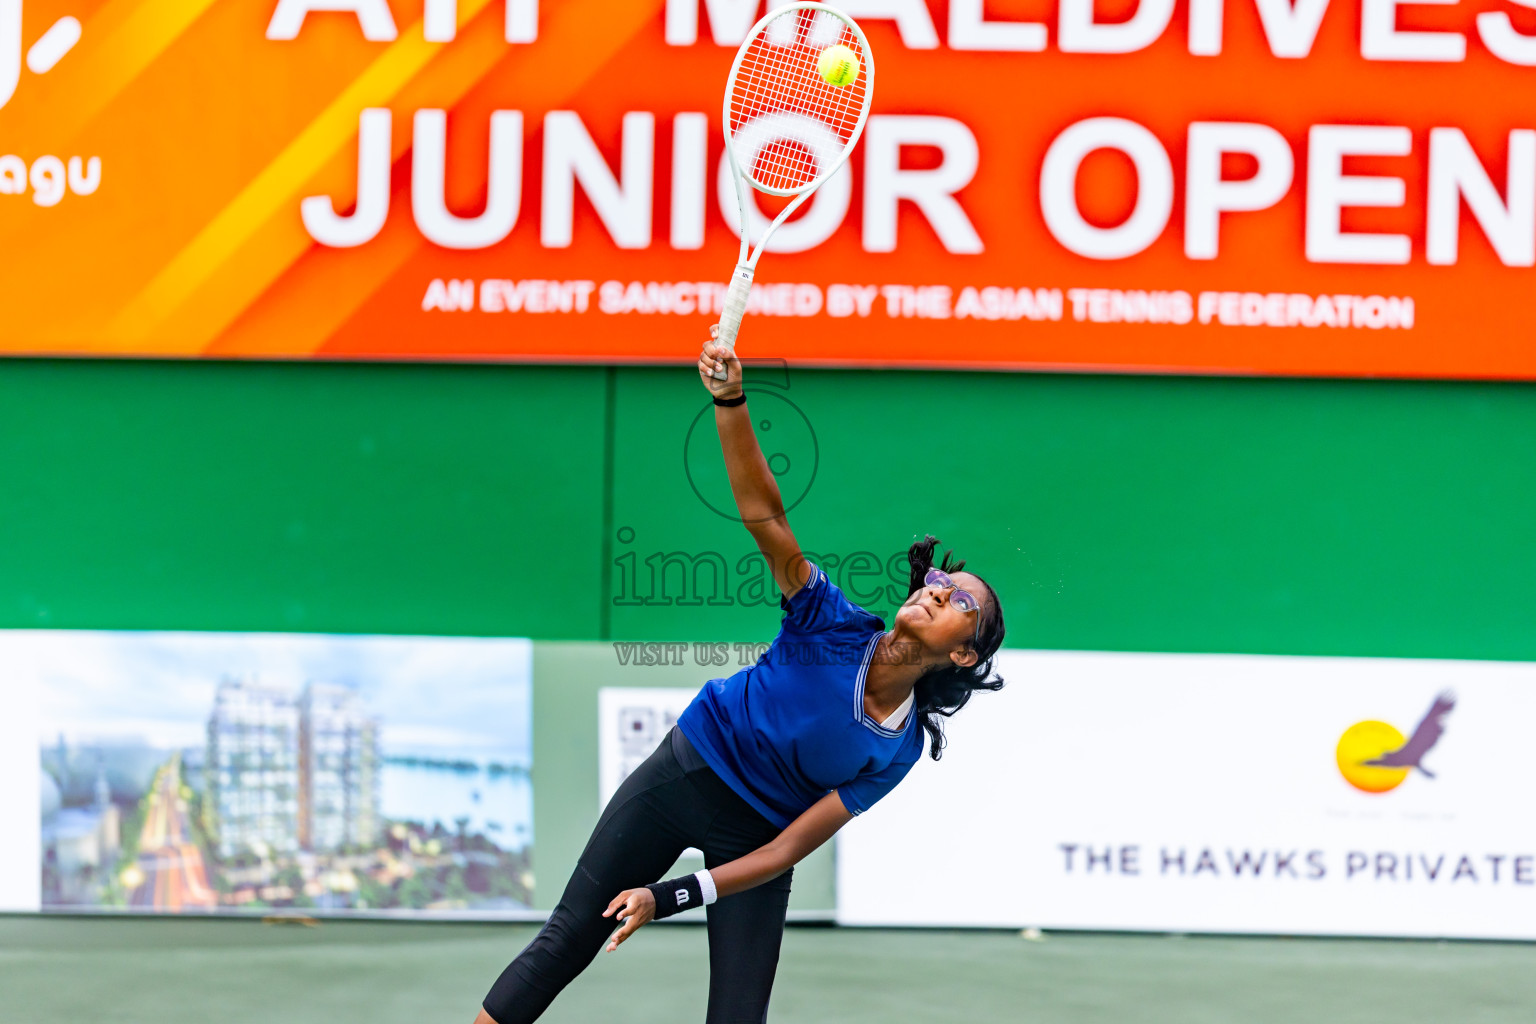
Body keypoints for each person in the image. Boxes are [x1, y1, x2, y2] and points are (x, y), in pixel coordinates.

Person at [476, 329, 1006, 1024]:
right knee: (569, 936)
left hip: (759, 838)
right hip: (686, 772)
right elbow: (765, 517)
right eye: (940, 579)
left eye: (959, 599)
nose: (937, 590)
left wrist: (668, 896)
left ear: (963, 654)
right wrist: (730, 401)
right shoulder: (831, 619)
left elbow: (787, 848)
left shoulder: (896, 749)